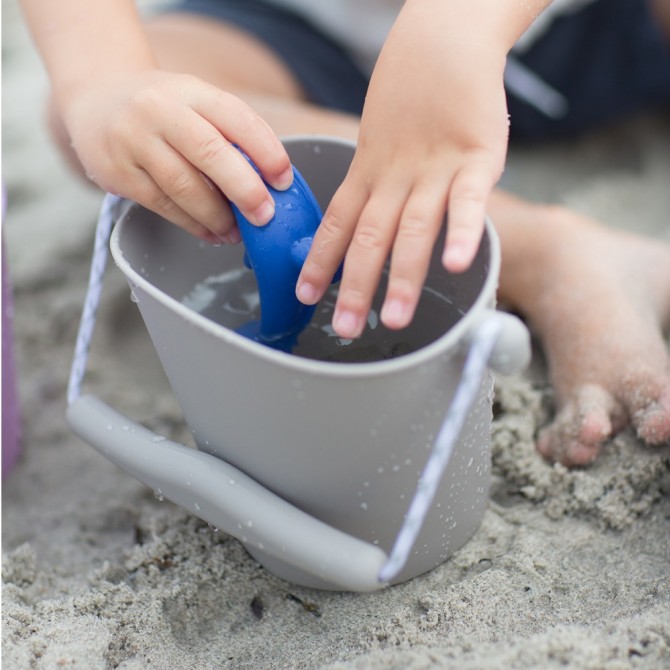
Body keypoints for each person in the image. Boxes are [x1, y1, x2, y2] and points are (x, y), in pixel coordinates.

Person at [19, 0, 670, 466]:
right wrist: (103, 76)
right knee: (127, 125)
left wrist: (461, 22)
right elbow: (107, 77)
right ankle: (543, 252)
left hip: (582, 18)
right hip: (307, 33)